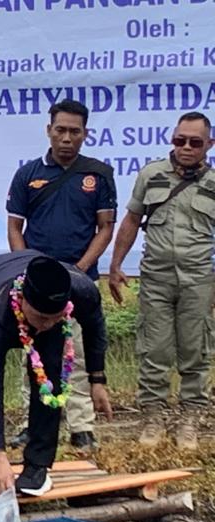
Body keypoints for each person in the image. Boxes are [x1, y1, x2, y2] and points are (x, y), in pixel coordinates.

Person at [7, 99, 116, 451]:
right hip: (36, 282)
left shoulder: (98, 174)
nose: (67, 138)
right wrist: (27, 267)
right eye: (61, 130)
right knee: (32, 352)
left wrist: (80, 270)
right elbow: (14, 226)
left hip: (78, 278)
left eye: (75, 131)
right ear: (48, 130)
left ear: (85, 133)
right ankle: (29, 422)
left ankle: (81, 426)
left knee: (79, 352)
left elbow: (105, 228)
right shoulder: (28, 174)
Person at [0, 253, 111, 499]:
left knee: (49, 377)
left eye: (56, 317)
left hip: (37, 289)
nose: (47, 325)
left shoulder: (81, 290)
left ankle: (37, 466)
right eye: (42, 318)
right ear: (23, 299)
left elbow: (95, 327)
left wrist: (97, 379)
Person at [109, 111, 215, 450]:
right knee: (154, 350)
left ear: (208, 145)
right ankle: (152, 417)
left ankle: (190, 419)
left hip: (199, 279)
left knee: (194, 350)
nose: (185, 147)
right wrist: (115, 265)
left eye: (194, 142)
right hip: (155, 277)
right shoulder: (151, 175)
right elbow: (131, 219)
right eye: (179, 139)